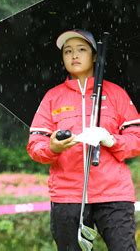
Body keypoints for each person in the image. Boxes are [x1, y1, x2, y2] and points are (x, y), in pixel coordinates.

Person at [27, 29, 140, 250]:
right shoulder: (52, 97)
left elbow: (136, 139)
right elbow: (35, 145)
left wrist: (111, 141)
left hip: (114, 193)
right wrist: (52, 147)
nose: (74, 55)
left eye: (81, 49)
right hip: (67, 196)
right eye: (68, 51)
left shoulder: (116, 93)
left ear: (95, 55)